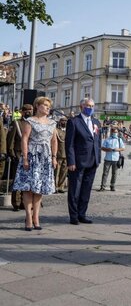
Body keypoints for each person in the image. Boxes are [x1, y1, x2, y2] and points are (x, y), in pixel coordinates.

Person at [13, 97, 57, 230]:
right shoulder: (30, 121)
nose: (47, 108)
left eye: (49, 106)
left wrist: (54, 157)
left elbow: (54, 141)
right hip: (32, 156)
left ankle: (36, 217)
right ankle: (28, 217)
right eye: (45, 105)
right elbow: (24, 140)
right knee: (29, 188)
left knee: (40, 189)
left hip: (45, 158)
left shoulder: (52, 123)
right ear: (37, 106)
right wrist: (25, 158)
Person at [65, 98, 101, 225]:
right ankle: (73, 215)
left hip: (93, 161)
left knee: (86, 190)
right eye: (87, 105)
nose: (90, 108)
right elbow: (69, 144)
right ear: (81, 106)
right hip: (78, 162)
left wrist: (98, 158)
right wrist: (71, 161)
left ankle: (82, 214)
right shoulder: (74, 122)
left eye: (92, 106)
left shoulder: (96, 122)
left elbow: (97, 141)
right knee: (75, 190)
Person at [6, 104, 33, 210]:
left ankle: (24, 202)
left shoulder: (33, 123)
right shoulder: (16, 123)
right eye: (27, 110)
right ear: (22, 111)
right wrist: (12, 153)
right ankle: (16, 202)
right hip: (18, 153)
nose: (29, 112)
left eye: (31, 110)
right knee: (17, 179)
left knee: (27, 180)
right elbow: (11, 139)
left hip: (30, 154)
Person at [99, 125, 125, 192]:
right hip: (108, 158)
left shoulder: (119, 140)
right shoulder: (107, 139)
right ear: (111, 132)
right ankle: (103, 186)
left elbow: (123, 148)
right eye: (113, 131)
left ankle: (112, 186)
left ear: (117, 132)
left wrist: (118, 149)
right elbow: (102, 147)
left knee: (114, 173)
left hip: (116, 159)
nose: (114, 133)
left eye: (115, 132)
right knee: (105, 173)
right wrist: (108, 149)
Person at [55, 116, 68, 193]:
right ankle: (55, 186)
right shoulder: (56, 130)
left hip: (66, 155)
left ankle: (61, 186)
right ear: (60, 122)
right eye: (63, 121)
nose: (64, 122)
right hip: (58, 154)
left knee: (64, 172)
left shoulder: (69, 131)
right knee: (56, 172)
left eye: (66, 121)